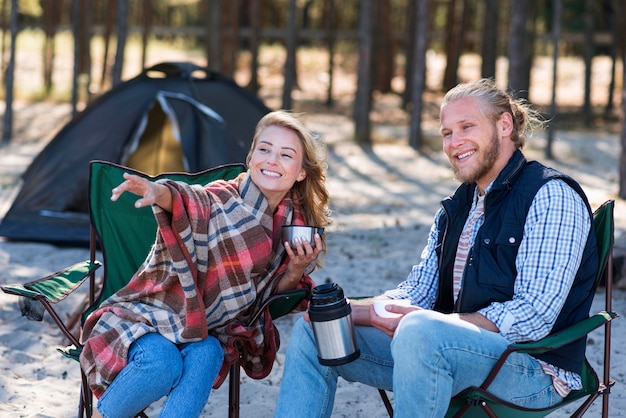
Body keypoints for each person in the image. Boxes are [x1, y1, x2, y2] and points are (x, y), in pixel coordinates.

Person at [274, 79, 599, 418]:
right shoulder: (458, 206)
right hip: (440, 350)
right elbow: (419, 292)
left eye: (466, 127)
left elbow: (534, 316)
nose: (454, 142)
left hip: (531, 370)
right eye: (446, 133)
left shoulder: (550, 196)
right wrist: (354, 311)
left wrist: (433, 324)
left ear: (504, 125)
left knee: (420, 332)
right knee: (317, 332)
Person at [79, 110, 331, 418]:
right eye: (264, 149)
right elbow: (191, 200)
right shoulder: (222, 197)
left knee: (209, 352)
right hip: (151, 315)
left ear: (302, 172)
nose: (272, 160)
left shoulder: (293, 224)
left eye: (286, 154)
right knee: (162, 364)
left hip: (205, 330)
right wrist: (158, 191)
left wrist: (294, 269)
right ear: (251, 158)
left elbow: (267, 298)